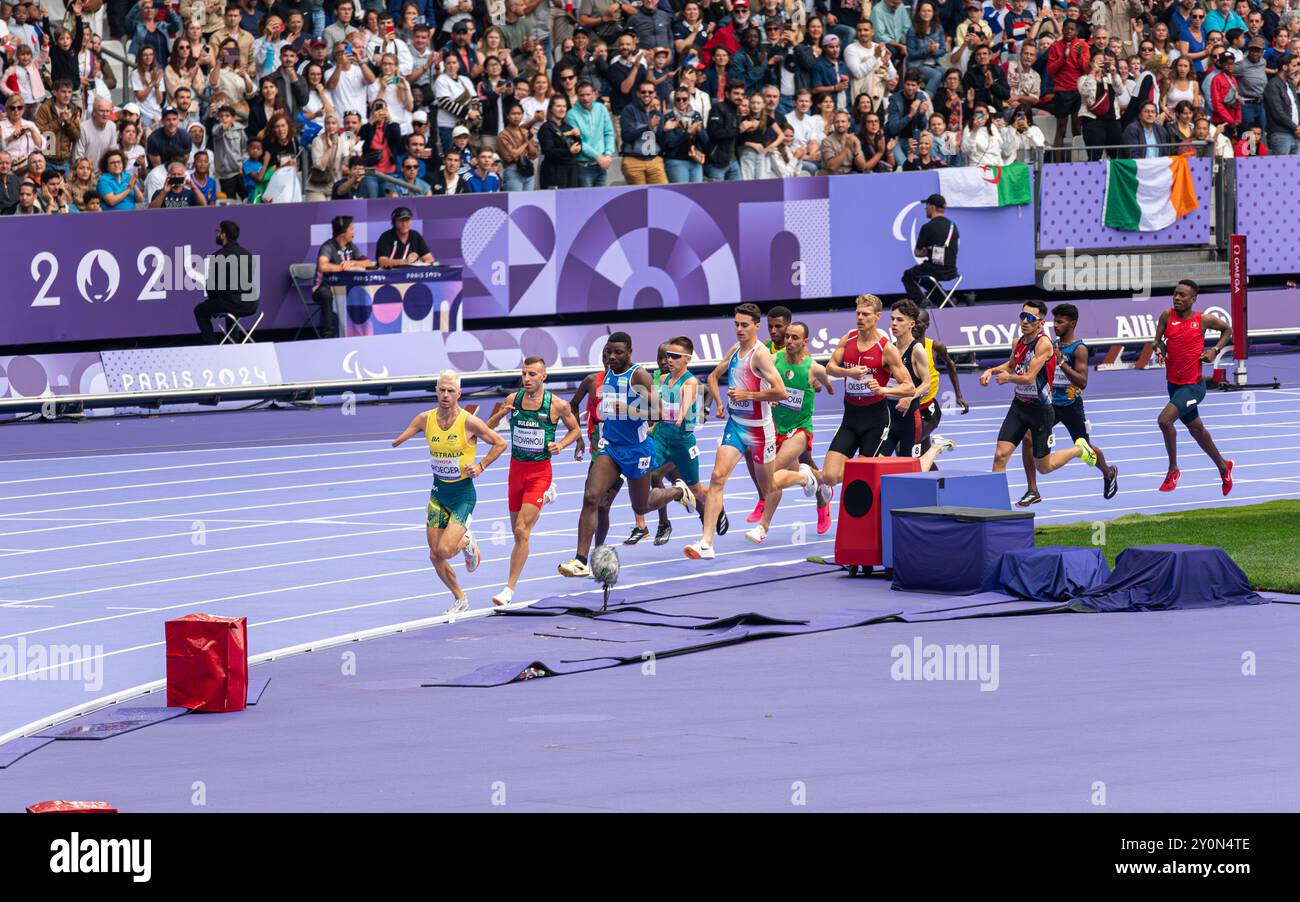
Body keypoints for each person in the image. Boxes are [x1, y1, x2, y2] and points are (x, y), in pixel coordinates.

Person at [559, 332, 694, 577]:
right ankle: (580, 561)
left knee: (641, 505)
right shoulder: (608, 374)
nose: (612, 356)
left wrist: (628, 408)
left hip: (637, 451)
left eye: (618, 352)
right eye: (609, 352)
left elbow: (659, 412)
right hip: (610, 447)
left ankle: (678, 491)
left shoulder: (638, 375)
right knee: (591, 497)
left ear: (629, 352)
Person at [391, 371, 507, 615]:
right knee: (435, 555)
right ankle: (460, 598)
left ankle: (466, 541)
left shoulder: (469, 422)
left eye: (450, 391)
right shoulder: (425, 418)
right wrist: (398, 440)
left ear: (459, 394)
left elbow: (499, 442)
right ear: (436, 390)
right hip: (438, 493)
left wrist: (481, 465)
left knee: (445, 549)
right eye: (442, 390)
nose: (445, 395)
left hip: (463, 496)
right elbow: (408, 431)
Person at [684, 303, 789, 560]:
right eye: (736, 324)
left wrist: (748, 395)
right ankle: (706, 542)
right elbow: (713, 375)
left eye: (744, 325)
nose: (739, 329)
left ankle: (806, 478)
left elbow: (781, 392)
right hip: (736, 425)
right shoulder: (734, 351)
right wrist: (720, 402)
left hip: (759, 429)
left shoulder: (760, 355)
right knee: (717, 478)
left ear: (756, 326)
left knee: (771, 484)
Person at [485, 357, 580, 606]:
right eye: (524, 374)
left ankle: (509, 588)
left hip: (540, 473)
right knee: (519, 532)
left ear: (543, 377)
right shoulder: (512, 400)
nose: (527, 379)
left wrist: (560, 444)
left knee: (520, 531)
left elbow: (575, 430)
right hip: (516, 471)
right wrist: (499, 417)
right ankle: (547, 496)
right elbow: (487, 427)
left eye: (532, 374)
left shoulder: (556, 405)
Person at [805, 294, 916, 498]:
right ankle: (822, 481)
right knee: (830, 476)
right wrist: (849, 372)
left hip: (876, 421)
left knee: (860, 473)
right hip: (850, 418)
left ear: (876, 317)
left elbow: (909, 387)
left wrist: (884, 390)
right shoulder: (848, 339)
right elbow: (830, 367)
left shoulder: (886, 349)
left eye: (865, 314)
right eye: (857, 313)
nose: (860, 318)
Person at [981, 299, 1100, 485]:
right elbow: (1012, 365)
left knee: (1044, 467)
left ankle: (1079, 450)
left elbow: (1029, 377)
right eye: (1022, 316)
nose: (1024, 321)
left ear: (1041, 322)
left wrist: (1008, 378)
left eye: (1030, 317)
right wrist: (992, 370)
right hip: (1019, 405)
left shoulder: (1044, 344)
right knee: (1000, 455)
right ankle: (997, 507)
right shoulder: (1018, 342)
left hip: (1040, 410)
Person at [1016, 303, 1119, 505]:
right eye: (1055, 321)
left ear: (1072, 324)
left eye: (1060, 322)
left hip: (1071, 406)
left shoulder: (1079, 349)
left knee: (1085, 446)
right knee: (1027, 437)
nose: (1056, 325)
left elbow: (1083, 382)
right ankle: (1032, 489)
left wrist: (1062, 362)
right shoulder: (1048, 344)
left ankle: (1108, 473)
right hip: (1050, 405)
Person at [745, 320, 837, 544]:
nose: (789, 341)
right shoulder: (774, 360)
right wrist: (771, 394)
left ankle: (762, 527)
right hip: (775, 427)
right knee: (782, 473)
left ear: (805, 341)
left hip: (800, 429)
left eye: (795, 338)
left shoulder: (814, 368)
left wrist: (818, 385)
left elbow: (830, 388)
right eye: (787, 337)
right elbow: (761, 379)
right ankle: (813, 480)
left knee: (771, 474)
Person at [1152, 280, 1235, 495]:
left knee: (1164, 420)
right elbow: (1157, 341)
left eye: (1182, 295)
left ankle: (1173, 470)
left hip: (1193, 387)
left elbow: (1228, 330)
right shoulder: (1166, 316)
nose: (1177, 298)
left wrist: (1214, 351)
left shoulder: (1203, 320)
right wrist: (1159, 350)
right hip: (1174, 385)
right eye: (1175, 294)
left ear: (1193, 299)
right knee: (1197, 430)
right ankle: (1224, 467)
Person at [878, 300, 956, 470]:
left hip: (910, 419)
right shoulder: (888, 349)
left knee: (910, 469)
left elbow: (926, 383)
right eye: (892, 319)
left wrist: (909, 396)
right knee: (877, 462)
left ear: (911, 324)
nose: (894, 324)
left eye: (899, 320)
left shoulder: (917, 350)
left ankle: (936, 448)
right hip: (889, 417)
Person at [912, 308, 969, 469]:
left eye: (918, 322)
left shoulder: (935, 347)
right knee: (923, 455)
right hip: (911, 409)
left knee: (908, 445)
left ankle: (938, 445)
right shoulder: (904, 347)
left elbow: (951, 365)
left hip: (928, 411)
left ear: (927, 325)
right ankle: (935, 483)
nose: (914, 325)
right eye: (912, 322)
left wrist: (958, 395)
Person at [193, 220, 256, 344]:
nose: (217, 234)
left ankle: (212, 346)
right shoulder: (248, 254)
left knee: (200, 310)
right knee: (231, 299)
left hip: (233, 303)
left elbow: (212, 288)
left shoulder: (217, 256)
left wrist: (213, 297)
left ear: (224, 235)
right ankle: (233, 341)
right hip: (252, 304)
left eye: (218, 231)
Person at [313, 215, 375, 337]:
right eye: (351, 229)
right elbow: (323, 266)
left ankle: (360, 332)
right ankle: (328, 334)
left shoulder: (350, 246)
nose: (354, 232)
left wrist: (353, 263)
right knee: (326, 294)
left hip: (346, 287)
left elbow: (368, 262)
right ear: (342, 233)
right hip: (325, 286)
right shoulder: (328, 246)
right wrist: (343, 267)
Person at [901, 193, 959, 305]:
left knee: (908, 275)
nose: (925, 208)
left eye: (926, 206)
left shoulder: (928, 227)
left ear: (932, 207)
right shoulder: (953, 226)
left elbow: (918, 252)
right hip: (952, 271)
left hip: (935, 270)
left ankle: (922, 303)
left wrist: (926, 251)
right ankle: (945, 302)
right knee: (928, 279)